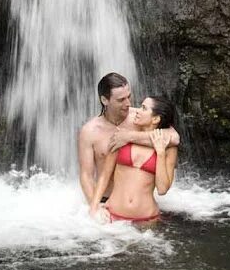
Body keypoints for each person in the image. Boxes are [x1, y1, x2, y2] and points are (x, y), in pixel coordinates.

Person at [77, 72, 179, 203]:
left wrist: (129, 136)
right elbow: (86, 176)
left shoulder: (138, 117)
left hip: (138, 202)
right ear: (105, 100)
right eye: (121, 100)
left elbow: (174, 137)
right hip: (106, 200)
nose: (128, 104)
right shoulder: (89, 132)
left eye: (129, 97)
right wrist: (94, 207)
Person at [89, 96, 178, 223]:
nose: (137, 111)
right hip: (112, 216)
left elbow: (162, 189)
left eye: (143, 108)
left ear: (156, 119)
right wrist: (94, 207)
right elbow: (104, 176)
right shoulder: (121, 137)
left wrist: (160, 152)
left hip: (146, 220)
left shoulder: (168, 149)